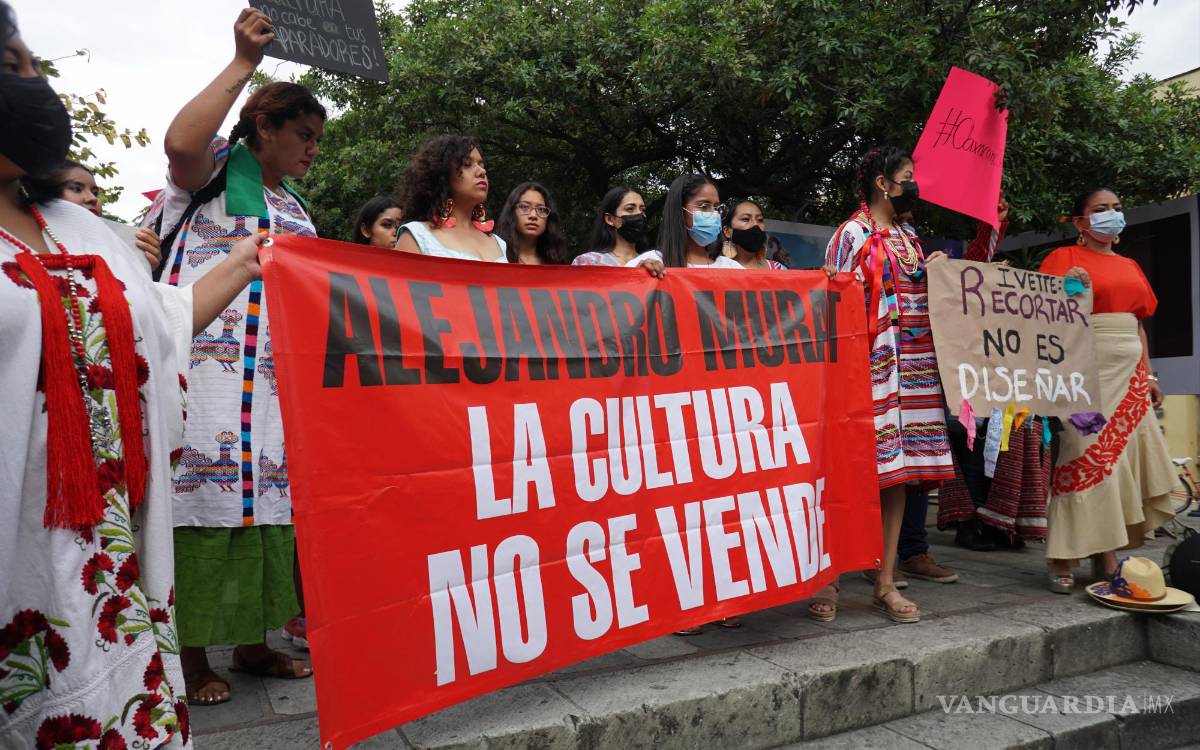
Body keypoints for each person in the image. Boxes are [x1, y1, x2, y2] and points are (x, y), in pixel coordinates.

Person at [0, 5, 265, 744]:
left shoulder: (78, 228)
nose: (35, 84)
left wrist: (244, 264)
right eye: (12, 68)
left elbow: (164, 323)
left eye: (35, 66)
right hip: (22, 557)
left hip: (115, 558)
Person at [159, 8, 325, 705]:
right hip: (203, 383)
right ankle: (193, 658)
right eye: (304, 134)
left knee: (266, 510)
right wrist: (242, 63)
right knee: (198, 505)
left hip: (272, 393)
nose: (312, 148)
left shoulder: (297, 210)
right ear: (264, 127)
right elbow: (179, 142)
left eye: (317, 138)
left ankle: (254, 646)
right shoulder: (212, 175)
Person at [816, 146, 955, 624]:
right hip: (864, 368)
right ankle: (830, 578)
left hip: (912, 369)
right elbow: (830, 304)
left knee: (896, 475)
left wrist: (937, 272)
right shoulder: (850, 233)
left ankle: (885, 580)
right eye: (907, 176)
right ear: (883, 183)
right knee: (851, 469)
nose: (913, 185)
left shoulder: (910, 237)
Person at [1038, 188, 1174, 593]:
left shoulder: (1130, 265)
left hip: (1129, 377)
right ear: (1080, 222)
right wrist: (1071, 290)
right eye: (1100, 209)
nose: (1111, 215)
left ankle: (1107, 552)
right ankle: (1062, 555)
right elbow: (1046, 316)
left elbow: (1137, 324)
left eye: (1116, 208)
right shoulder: (1062, 259)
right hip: (1082, 372)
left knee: (1119, 463)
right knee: (1083, 456)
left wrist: (1148, 376)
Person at [396, 135, 507, 262]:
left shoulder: (499, 243)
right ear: (442, 174)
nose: (482, 171)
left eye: (482, 165)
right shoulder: (417, 236)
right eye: (467, 164)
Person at [51, 159, 162, 269]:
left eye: (95, 193)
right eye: (77, 189)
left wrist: (146, 268)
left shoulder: (123, 249)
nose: (93, 198)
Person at [658, 174, 743, 269]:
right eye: (704, 206)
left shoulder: (732, 267)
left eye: (716, 208)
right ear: (680, 211)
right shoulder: (654, 263)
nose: (714, 214)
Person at [573, 186, 662, 268]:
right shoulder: (588, 262)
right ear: (610, 219)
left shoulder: (655, 263)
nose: (639, 214)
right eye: (630, 209)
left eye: (642, 210)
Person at [495, 181, 570, 264]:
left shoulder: (556, 262)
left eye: (541, 209)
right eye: (524, 207)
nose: (533, 215)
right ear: (512, 212)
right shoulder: (496, 256)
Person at [719, 198, 786, 270]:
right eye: (746, 219)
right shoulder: (715, 268)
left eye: (760, 220)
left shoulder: (779, 270)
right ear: (727, 231)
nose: (755, 224)